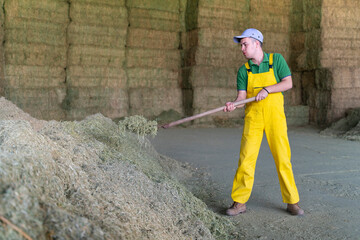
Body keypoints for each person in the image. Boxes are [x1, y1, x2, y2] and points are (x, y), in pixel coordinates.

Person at [223, 28, 304, 216]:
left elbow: (288, 83)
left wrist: (267, 89)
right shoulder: (244, 71)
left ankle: (292, 201)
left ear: (256, 43)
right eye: (241, 45)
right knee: (246, 158)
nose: (242, 48)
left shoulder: (276, 61)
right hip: (253, 118)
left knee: (283, 158)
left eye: (245, 44)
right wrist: (233, 104)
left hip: (275, 117)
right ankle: (239, 202)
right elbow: (241, 96)